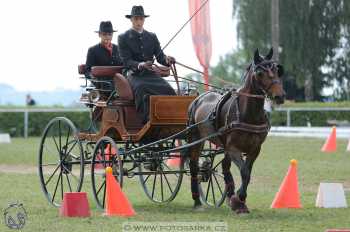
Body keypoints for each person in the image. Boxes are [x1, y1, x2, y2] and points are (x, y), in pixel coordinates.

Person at [118, 5, 176, 124]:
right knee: (141, 88)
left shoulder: (151, 37)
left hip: (150, 74)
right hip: (133, 75)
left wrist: (167, 60)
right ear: (131, 19)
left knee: (169, 90)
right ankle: (145, 122)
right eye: (136, 19)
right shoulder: (123, 38)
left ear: (144, 19)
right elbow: (126, 61)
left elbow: (160, 57)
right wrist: (141, 64)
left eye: (141, 19)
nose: (139, 22)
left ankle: (168, 119)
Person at [85, 21, 123, 93]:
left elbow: (124, 66)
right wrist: (97, 82)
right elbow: (88, 71)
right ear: (99, 35)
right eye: (104, 34)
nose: (107, 37)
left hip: (119, 83)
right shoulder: (92, 50)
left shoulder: (119, 49)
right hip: (101, 84)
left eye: (110, 34)